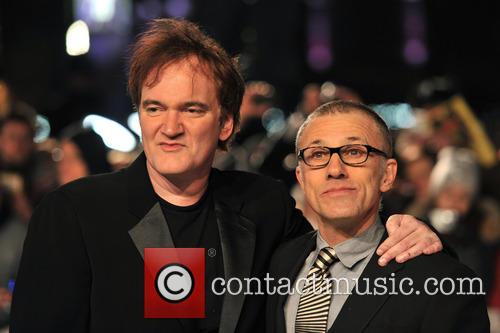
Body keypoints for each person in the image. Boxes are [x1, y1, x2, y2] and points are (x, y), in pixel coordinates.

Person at [11, 19, 442, 333]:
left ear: (226, 125)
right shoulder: (74, 213)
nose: (170, 127)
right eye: (154, 107)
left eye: (192, 109)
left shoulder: (263, 205)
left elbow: (342, 251)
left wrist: (407, 231)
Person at [266, 100, 489, 333]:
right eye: (318, 154)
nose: (335, 169)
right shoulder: (277, 263)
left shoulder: (446, 284)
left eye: (354, 152)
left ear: (388, 175)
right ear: (301, 178)